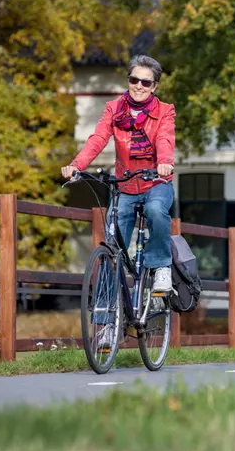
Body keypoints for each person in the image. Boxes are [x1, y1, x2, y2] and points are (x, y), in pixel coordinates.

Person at [61, 55, 176, 294]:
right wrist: (77, 165)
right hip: (125, 185)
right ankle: (105, 316)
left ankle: (160, 267)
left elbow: (164, 138)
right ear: (129, 80)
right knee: (112, 248)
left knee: (155, 210)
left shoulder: (165, 112)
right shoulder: (114, 109)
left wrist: (164, 162)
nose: (139, 86)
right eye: (135, 80)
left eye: (146, 82)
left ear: (154, 86)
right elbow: (98, 139)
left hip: (156, 181)